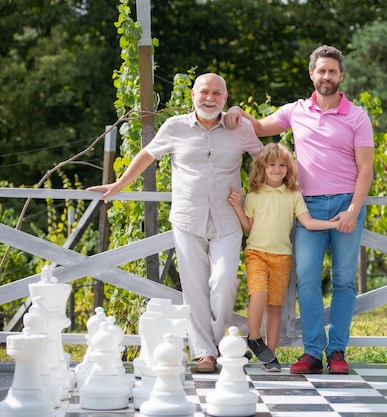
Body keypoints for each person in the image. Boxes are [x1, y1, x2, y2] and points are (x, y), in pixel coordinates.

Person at [88, 73, 263, 373]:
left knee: (223, 282)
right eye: (204, 92)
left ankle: (221, 343)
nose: (210, 98)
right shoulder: (175, 127)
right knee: (194, 288)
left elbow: (266, 160)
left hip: (229, 219)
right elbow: (147, 155)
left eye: (217, 93)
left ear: (226, 97)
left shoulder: (241, 128)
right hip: (187, 218)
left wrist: (275, 200)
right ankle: (205, 353)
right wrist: (118, 184)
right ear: (193, 94)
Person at [226, 45, 374, 374]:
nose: (326, 76)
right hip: (307, 207)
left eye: (332, 71)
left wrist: (352, 210)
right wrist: (236, 109)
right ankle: (312, 352)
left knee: (344, 281)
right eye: (321, 70)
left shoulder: (357, 116)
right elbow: (260, 128)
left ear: (341, 75)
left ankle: (337, 352)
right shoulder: (295, 111)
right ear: (312, 74)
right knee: (307, 280)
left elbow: (366, 169)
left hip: (346, 205)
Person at [228, 142, 339, 372]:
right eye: (271, 165)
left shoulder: (293, 194)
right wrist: (237, 206)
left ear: (289, 168)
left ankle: (269, 354)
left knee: (274, 306)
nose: (277, 169)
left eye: (282, 165)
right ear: (262, 167)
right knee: (258, 295)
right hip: (256, 253)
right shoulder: (255, 194)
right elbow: (249, 226)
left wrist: (332, 223)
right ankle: (254, 338)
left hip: (282, 257)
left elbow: (307, 221)